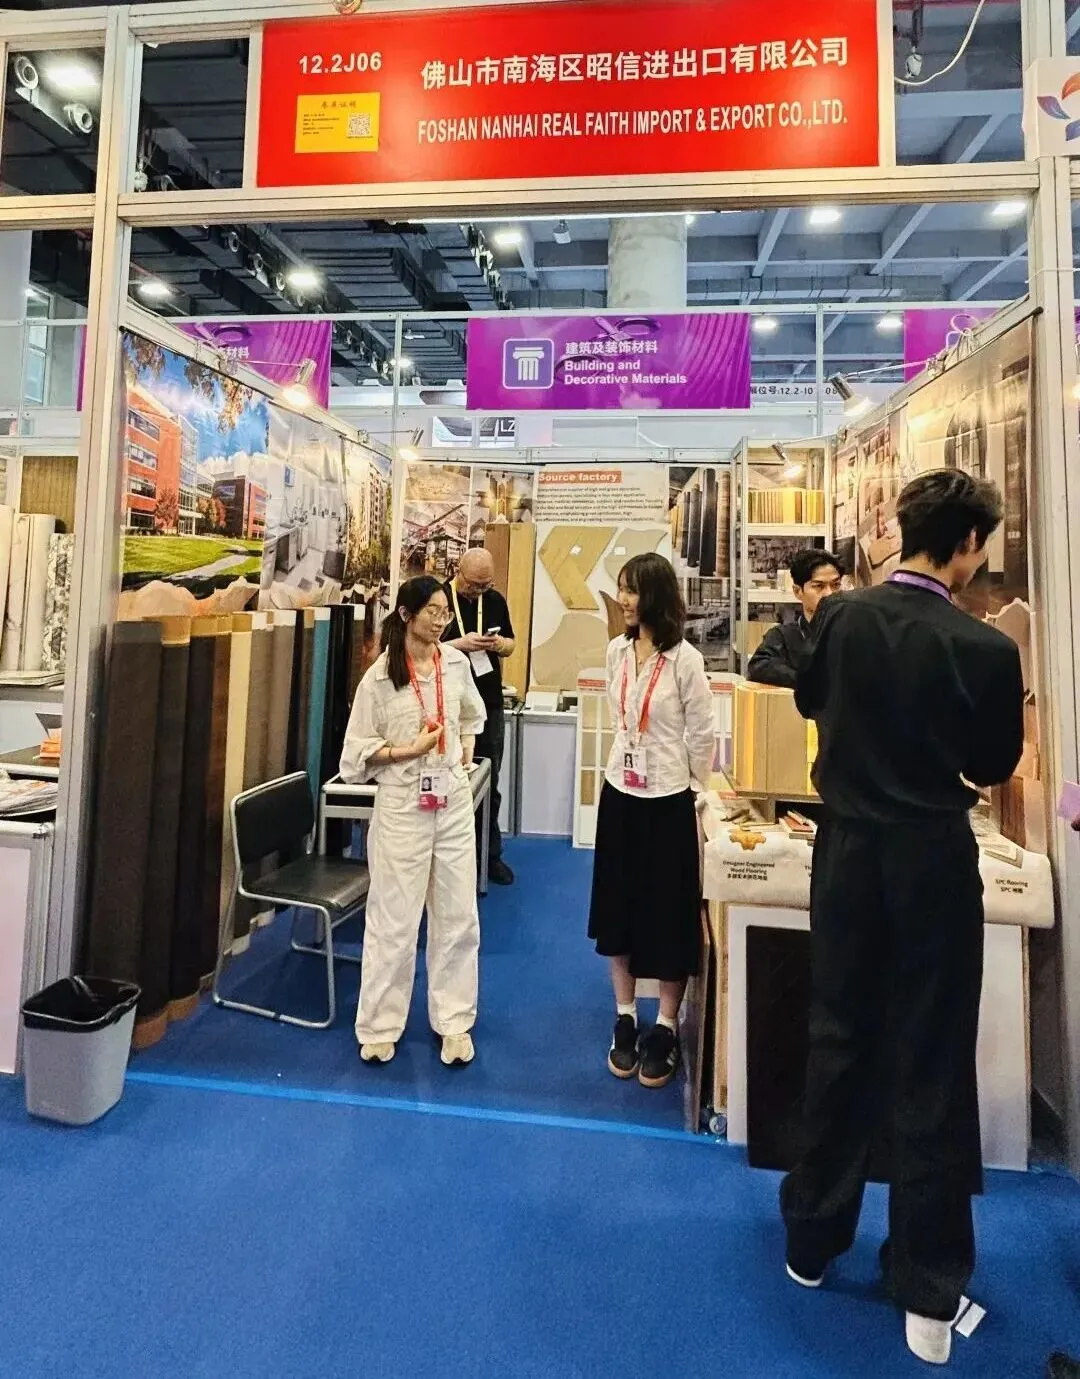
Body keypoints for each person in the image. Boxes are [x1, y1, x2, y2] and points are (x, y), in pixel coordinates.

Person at [779, 470, 1024, 1367]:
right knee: (932, 1058)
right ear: (967, 545)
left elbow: (808, 699)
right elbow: (993, 761)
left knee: (838, 1036)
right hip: (931, 858)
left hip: (846, 854)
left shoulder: (841, 616)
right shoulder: (984, 647)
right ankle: (928, 1285)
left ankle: (812, 1238)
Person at [340, 575, 487, 1068]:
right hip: (403, 805)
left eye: (446, 612)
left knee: (457, 915)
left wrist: (464, 750)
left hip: (452, 801)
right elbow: (354, 757)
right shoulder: (380, 678)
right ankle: (380, 1026)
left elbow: (472, 715)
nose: (442, 620)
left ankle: (455, 1021)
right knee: (394, 920)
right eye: (433, 612)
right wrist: (409, 750)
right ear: (406, 615)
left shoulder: (456, 665)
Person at [588, 552, 716, 1090]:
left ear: (657, 596)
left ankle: (664, 1024)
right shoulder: (617, 651)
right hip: (621, 792)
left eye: (633, 590)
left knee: (668, 912)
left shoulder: (685, 659)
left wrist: (694, 788)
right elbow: (619, 717)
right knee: (617, 905)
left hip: (668, 798)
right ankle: (625, 1015)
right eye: (621, 588)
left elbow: (702, 732)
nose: (623, 599)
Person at [442, 547, 516, 886]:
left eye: (486, 585)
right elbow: (423, 646)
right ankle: (449, 859)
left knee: (489, 780)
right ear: (459, 571)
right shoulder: (439, 599)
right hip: (447, 705)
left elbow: (512, 644)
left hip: (488, 703)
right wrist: (461, 644)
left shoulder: (495, 600)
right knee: (447, 782)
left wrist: (497, 645)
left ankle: (489, 855)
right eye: (473, 584)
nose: (478, 591)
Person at [747, 549, 844, 688]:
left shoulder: (854, 631)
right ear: (797, 591)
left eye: (835, 585)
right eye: (819, 586)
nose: (829, 593)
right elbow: (759, 666)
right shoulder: (783, 636)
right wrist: (810, 681)